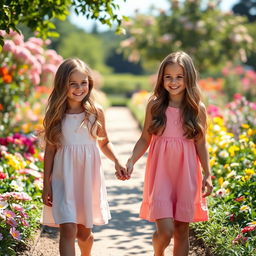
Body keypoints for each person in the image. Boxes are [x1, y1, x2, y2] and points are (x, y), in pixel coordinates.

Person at [126, 51, 213, 256]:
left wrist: (207, 174)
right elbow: (145, 139)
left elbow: (201, 143)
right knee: (164, 232)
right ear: (161, 78)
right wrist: (131, 160)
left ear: (188, 78)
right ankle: (158, 253)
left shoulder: (196, 109)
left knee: (182, 230)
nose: (173, 82)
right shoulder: (155, 105)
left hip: (187, 174)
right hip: (161, 175)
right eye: (168, 77)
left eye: (179, 77)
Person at [42, 58, 126, 256]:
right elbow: (50, 151)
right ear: (63, 85)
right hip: (63, 179)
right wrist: (47, 183)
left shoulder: (95, 113)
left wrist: (117, 161)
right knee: (68, 230)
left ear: (90, 83)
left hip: (87, 179)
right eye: (73, 84)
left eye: (83, 83)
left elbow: (104, 142)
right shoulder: (55, 114)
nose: (79, 88)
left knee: (84, 234)